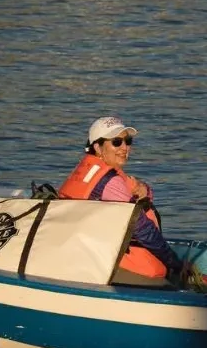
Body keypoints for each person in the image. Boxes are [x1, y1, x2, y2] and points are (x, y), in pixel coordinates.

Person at [59, 117, 186, 286]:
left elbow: (138, 189)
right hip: (113, 263)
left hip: (82, 256)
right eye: (117, 142)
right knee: (172, 287)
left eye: (128, 140)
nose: (125, 147)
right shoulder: (110, 182)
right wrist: (174, 263)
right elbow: (142, 229)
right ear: (98, 147)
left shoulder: (90, 170)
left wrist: (145, 190)